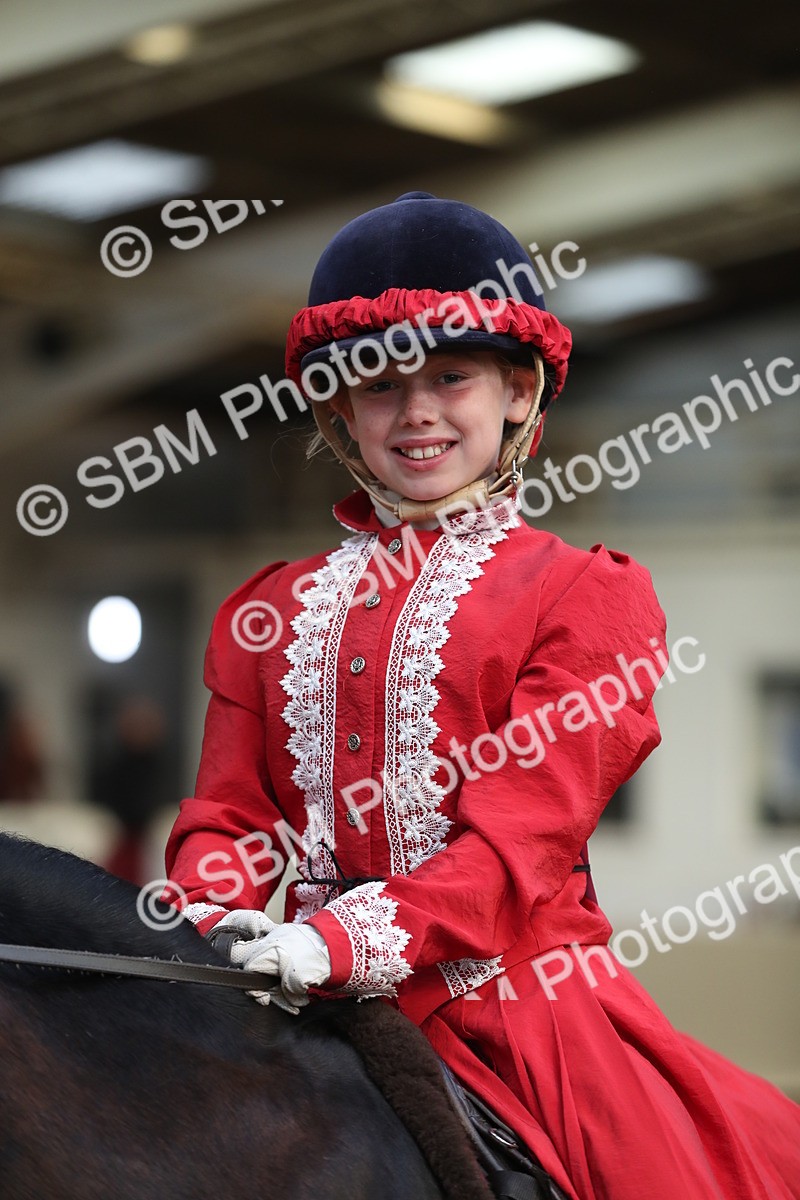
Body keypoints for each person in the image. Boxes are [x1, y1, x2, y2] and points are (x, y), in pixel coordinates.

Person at [165, 192, 800, 1199]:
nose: (414, 412)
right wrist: (215, 924)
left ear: (515, 393)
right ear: (341, 412)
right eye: (378, 386)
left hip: (519, 1011)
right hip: (289, 985)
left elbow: (515, 850)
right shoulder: (268, 612)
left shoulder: (587, 597)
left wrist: (338, 941)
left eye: (449, 377)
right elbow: (226, 817)